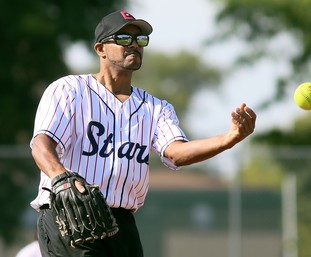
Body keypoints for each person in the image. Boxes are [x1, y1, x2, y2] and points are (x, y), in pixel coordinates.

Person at [30, 9, 256, 257]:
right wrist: (60, 178)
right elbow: (41, 144)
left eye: (140, 40)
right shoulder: (69, 90)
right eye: (124, 39)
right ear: (100, 49)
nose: (134, 45)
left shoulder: (155, 108)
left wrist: (227, 139)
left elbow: (176, 153)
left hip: (122, 222)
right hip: (70, 213)